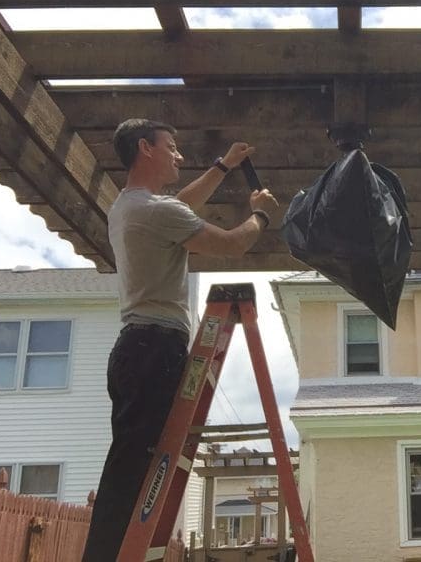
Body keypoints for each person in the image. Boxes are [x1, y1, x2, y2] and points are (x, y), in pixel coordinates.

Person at [82, 118, 278, 561]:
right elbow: (232, 244)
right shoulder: (156, 213)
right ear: (145, 148)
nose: (179, 155)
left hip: (137, 348)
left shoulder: (130, 207)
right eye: (171, 147)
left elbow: (180, 204)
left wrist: (223, 166)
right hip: (154, 349)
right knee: (133, 473)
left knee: (130, 468)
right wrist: (261, 214)